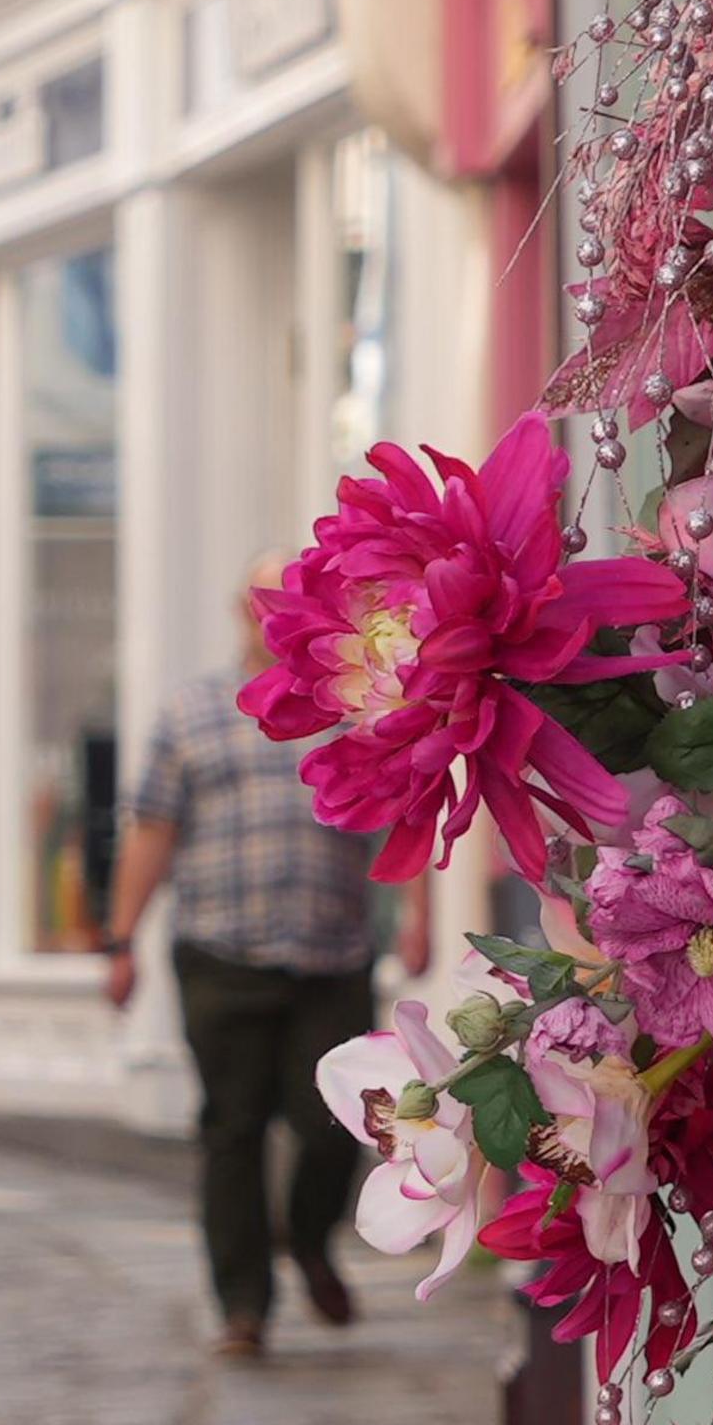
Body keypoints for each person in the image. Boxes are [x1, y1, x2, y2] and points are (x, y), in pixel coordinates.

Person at [104, 560, 436, 1361]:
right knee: (232, 1129)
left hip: (331, 953)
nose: (272, 617)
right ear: (239, 615)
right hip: (221, 954)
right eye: (260, 603)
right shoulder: (191, 713)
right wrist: (121, 941)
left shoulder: (357, 702)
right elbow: (152, 828)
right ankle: (242, 1307)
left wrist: (420, 915)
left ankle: (312, 1241)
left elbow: (403, 811)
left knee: (336, 1125)